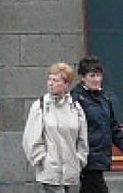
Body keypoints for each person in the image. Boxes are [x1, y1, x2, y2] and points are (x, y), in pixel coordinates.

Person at [22, 62, 89, 193]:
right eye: (50, 79)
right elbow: (31, 138)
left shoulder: (75, 107)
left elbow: (82, 138)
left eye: (56, 80)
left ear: (66, 85)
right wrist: (41, 159)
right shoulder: (40, 106)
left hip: (70, 170)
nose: (50, 83)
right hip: (50, 170)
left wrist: (80, 159)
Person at [71, 55, 123, 193]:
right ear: (83, 77)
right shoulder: (75, 99)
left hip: (100, 156)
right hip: (86, 156)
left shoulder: (104, 98)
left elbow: (113, 125)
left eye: (99, 75)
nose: (96, 79)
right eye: (92, 76)